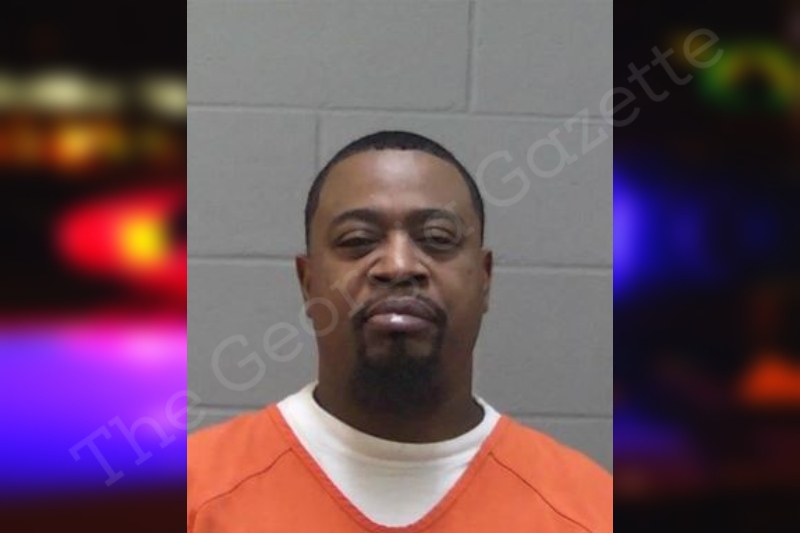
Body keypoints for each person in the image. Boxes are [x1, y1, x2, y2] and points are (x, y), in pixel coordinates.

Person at [187, 131, 612, 532]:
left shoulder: (589, 509)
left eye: (437, 237)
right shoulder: (194, 491)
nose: (399, 266)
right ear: (308, 282)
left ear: (484, 279)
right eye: (357, 239)